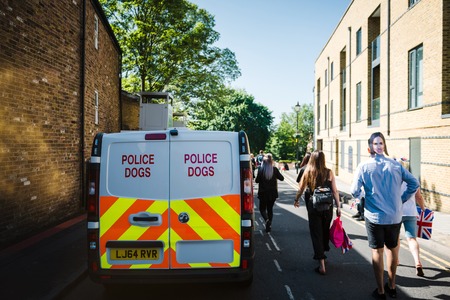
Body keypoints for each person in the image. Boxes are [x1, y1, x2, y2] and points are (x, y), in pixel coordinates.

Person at [351, 132, 419, 299]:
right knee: (392, 249)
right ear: (373, 147)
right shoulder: (396, 165)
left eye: (380, 143)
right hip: (394, 216)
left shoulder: (364, 166)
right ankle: (393, 286)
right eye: (377, 143)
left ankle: (381, 291)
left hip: (374, 217)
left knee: (377, 251)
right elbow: (414, 183)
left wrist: (364, 197)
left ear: (369, 149)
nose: (379, 146)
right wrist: (401, 199)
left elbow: (354, 192)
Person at [294, 150, 341, 276]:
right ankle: (323, 254)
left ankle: (321, 264)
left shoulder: (308, 171)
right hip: (327, 207)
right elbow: (335, 191)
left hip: (314, 207)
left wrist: (297, 199)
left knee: (316, 233)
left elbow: (301, 188)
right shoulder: (329, 172)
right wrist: (338, 206)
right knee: (324, 231)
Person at [396, 158, 426, 277]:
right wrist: (423, 208)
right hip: (411, 213)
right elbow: (419, 197)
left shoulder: (393, 180)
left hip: (397, 213)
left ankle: (396, 259)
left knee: (395, 237)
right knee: (412, 238)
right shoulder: (412, 179)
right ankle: (417, 262)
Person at [255, 153, 284, 233]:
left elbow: (257, 180)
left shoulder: (261, 170)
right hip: (272, 193)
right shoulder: (274, 169)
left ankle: (266, 220)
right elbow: (282, 178)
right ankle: (269, 225)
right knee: (270, 209)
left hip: (263, 193)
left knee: (262, 209)